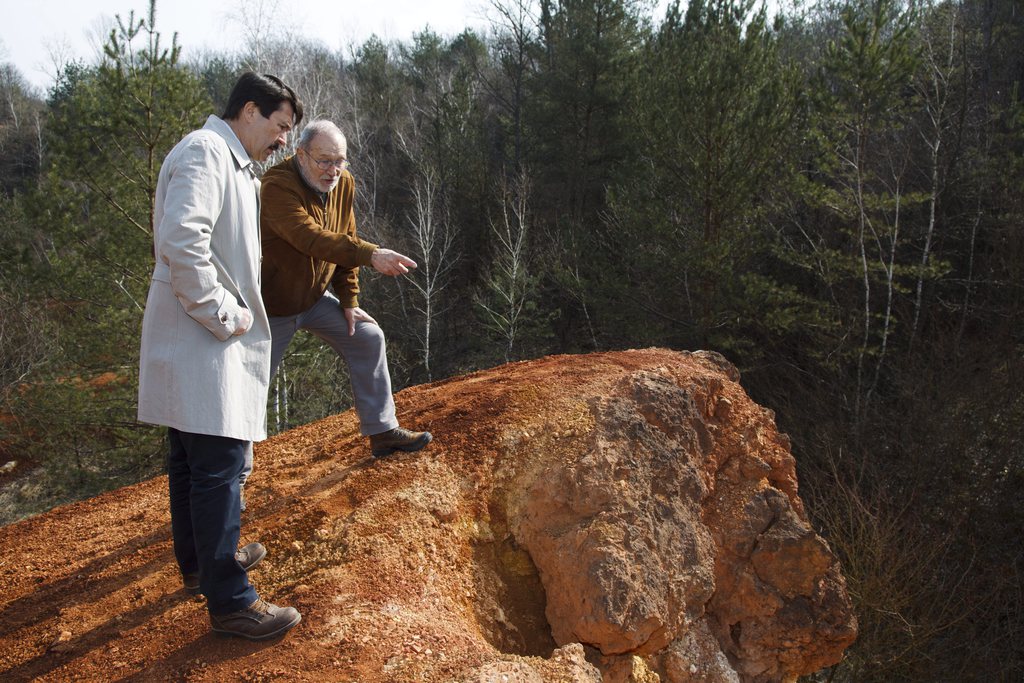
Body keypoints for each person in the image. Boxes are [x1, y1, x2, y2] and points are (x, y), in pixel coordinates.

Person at [137, 72, 304, 641]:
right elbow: (182, 242)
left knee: (190, 462)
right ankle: (231, 601)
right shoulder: (208, 152)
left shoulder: (224, 159)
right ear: (250, 111)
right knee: (219, 467)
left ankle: (200, 567)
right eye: (281, 126)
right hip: (203, 339)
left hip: (196, 342)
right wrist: (225, 314)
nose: (283, 140)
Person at [242, 119, 430, 494]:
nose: (333, 170)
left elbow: (344, 238)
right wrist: (372, 254)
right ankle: (235, 480)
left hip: (313, 299)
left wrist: (348, 301)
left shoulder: (343, 182)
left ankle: (382, 432)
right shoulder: (276, 186)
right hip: (271, 307)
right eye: (324, 161)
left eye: (340, 161)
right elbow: (311, 239)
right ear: (301, 155)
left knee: (367, 336)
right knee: (249, 386)